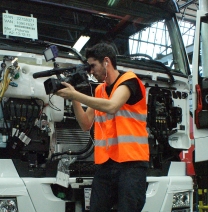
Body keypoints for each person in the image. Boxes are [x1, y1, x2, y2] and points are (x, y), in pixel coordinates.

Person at [56, 42, 149, 212]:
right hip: (106, 165)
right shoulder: (100, 90)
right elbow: (85, 123)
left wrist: (75, 94)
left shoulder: (129, 81)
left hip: (131, 164)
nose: (91, 72)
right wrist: (74, 97)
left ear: (106, 61)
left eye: (93, 66)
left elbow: (112, 106)